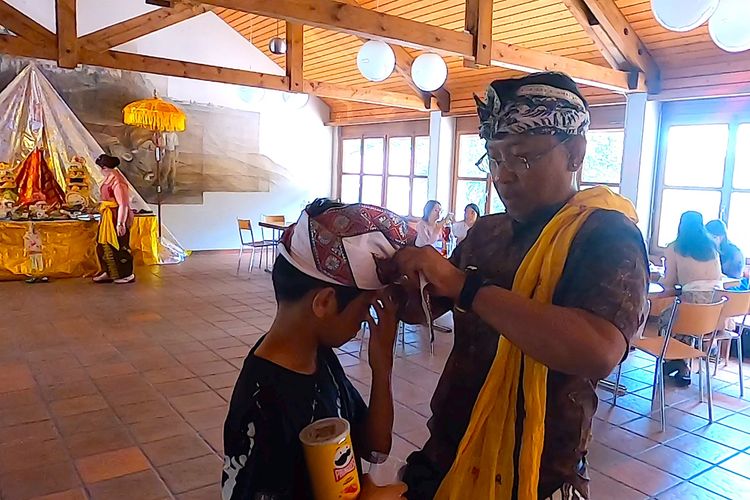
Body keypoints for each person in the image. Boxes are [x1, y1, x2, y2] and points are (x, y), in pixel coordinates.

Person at [392, 72, 648, 499]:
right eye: (493, 159)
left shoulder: (606, 234)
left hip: (538, 469)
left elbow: (598, 350)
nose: (502, 176)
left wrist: (468, 289)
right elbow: (422, 307)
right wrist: (390, 273)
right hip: (452, 444)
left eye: (522, 157)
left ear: (576, 154)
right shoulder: (488, 232)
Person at [222, 199, 411, 500]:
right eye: (364, 308)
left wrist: (382, 367)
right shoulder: (265, 402)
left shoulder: (317, 358)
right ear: (324, 302)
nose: (365, 320)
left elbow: (374, 447)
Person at [658, 211, 723, 386]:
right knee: (682, 312)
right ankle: (684, 360)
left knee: (667, 316)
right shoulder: (712, 247)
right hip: (718, 310)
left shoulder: (674, 247)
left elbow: (669, 282)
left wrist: (657, 278)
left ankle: (678, 362)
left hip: (692, 307)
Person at [93, 154, 135, 284]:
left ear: (105, 168)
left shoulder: (118, 181)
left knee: (119, 245)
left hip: (116, 215)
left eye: (101, 168)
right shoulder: (108, 178)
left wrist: (120, 223)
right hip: (107, 215)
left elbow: (123, 204)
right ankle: (109, 271)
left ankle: (125, 274)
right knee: (103, 245)